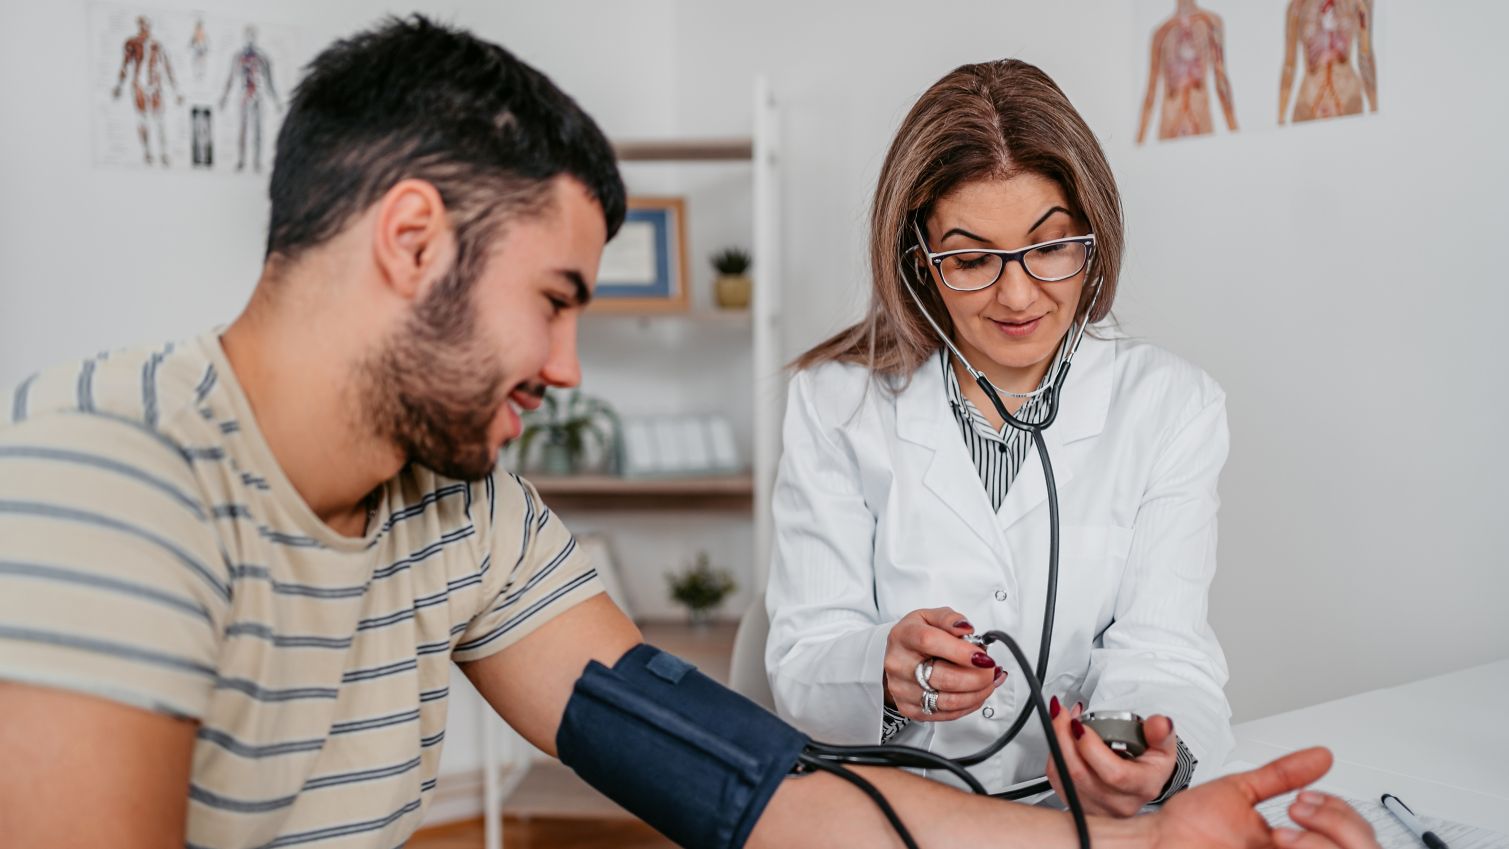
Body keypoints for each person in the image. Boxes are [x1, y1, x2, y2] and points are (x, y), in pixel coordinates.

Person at [0, 16, 1377, 849]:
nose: (568, 363)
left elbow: (757, 790)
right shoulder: (103, 479)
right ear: (413, 240)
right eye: (552, 300)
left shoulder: (461, 518)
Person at [767, 59, 1237, 815]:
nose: (1016, 295)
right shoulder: (835, 403)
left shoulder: (1170, 404)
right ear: (918, 262)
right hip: (894, 806)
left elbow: (1164, 648)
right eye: (971, 258)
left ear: (1094, 239)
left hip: (1077, 818)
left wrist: (1147, 750)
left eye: (1049, 248)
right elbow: (803, 657)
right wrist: (879, 667)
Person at [1137, 0, 1238, 143]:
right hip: (1170, 127)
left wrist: (1236, 135)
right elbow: (1150, 93)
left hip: (1201, 125)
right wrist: (1138, 144)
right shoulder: (1161, 32)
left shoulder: (1211, 23)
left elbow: (1221, 82)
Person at [1279, 0, 1378, 124]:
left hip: (1347, 99)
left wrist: (1374, 109)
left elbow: (1365, 54)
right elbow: (1289, 64)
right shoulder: (1297, 7)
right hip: (1310, 102)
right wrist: (1280, 118)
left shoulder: (1357, 3)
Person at [112, 14, 183, 167]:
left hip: (155, 86)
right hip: (139, 85)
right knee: (143, 119)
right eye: (142, 25)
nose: (145, 28)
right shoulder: (132, 43)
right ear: (139, 26)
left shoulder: (157, 45)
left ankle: (163, 153)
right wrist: (119, 85)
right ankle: (147, 153)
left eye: (147, 25)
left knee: (159, 120)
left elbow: (167, 67)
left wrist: (176, 91)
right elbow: (125, 65)